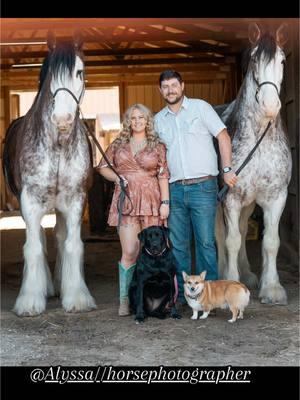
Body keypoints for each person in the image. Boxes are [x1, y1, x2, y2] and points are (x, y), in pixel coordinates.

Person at [154, 70, 238, 306]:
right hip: (175, 190)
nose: (170, 90)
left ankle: (207, 297)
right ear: (160, 91)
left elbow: (222, 136)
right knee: (178, 245)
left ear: (182, 85)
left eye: (174, 85)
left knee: (205, 243)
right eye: (165, 86)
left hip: (203, 186)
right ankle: (183, 297)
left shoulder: (201, 108)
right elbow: (157, 158)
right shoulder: (158, 120)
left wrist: (228, 169)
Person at [97, 103, 170, 316]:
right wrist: (117, 177)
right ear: (128, 121)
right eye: (133, 118)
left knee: (156, 252)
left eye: (141, 118)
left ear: (148, 121)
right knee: (130, 251)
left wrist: (165, 203)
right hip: (126, 201)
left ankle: (156, 300)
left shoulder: (157, 146)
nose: (137, 121)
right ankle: (125, 300)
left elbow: (163, 175)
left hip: (152, 201)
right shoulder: (118, 144)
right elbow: (103, 167)